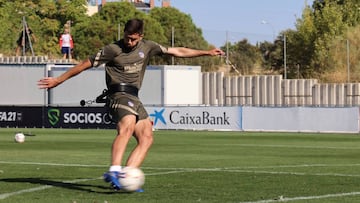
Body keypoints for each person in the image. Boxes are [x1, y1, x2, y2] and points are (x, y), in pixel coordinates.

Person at [38, 19, 224, 191]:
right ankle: (114, 170)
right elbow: (83, 65)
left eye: (134, 39)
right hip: (117, 94)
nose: (130, 42)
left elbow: (178, 51)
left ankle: (126, 176)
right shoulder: (112, 49)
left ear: (140, 36)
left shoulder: (148, 47)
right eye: (127, 37)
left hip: (134, 97)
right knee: (127, 126)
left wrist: (206, 52)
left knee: (147, 137)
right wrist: (58, 80)